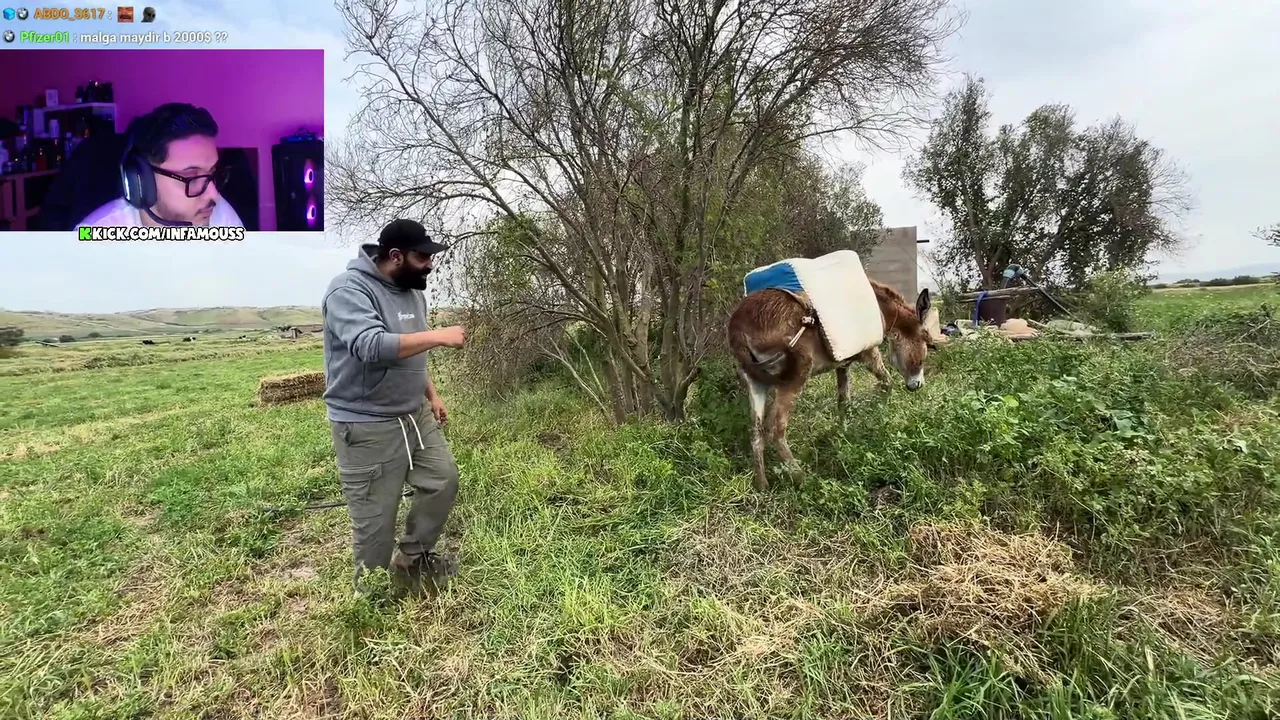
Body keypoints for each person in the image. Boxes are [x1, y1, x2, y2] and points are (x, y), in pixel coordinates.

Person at [321, 218, 467, 594]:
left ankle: (412, 561)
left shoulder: (412, 292)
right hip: (367, 423)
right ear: (396, 256)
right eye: (422, 257)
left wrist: (432, 395)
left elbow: (411, 350)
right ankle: (368, 598)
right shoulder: (348, 290)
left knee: (442, 481)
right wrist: (439, 336)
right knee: (376, 520)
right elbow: (370, 345)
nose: (430, 265)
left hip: (413, 415)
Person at [76, 102, 244, 228]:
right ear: (141, 181)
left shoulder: (219, 215)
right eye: (191, 177)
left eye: (213, 173)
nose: (214, 195)